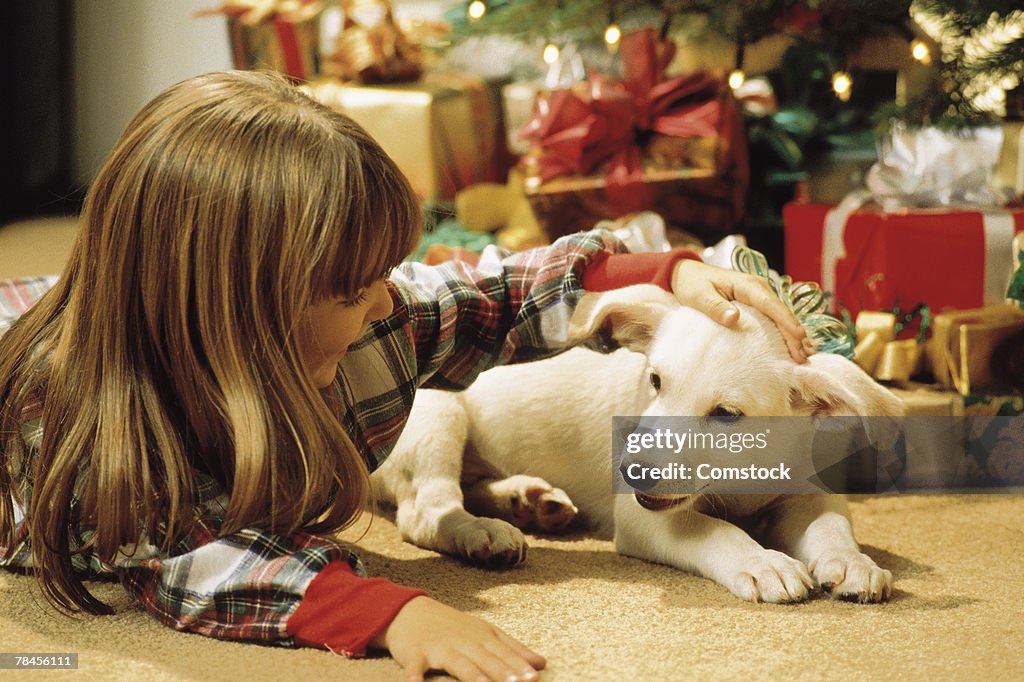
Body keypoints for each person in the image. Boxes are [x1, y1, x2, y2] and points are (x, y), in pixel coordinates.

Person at [0, 70, 811, 682]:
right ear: (246, 319)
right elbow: (200, 568)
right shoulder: (90, 433)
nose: (386, 296)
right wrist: (390, 611)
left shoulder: (369, 328)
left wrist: (669, 274)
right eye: (354, 287)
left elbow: (492, 297)